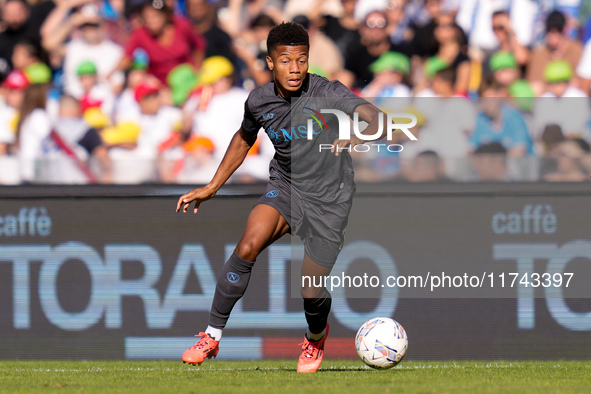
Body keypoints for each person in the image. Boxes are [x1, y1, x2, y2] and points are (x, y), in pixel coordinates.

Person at [176, 22, 385, 373]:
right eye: (286, 61)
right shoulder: (259, 100)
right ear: (270, 62)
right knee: (247, 246)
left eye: (301, 60)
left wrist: (356, 138)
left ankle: (315, 338)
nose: (295, 69)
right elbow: (244, 139)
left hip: (330, 198)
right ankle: (211, 336)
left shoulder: (327, 92)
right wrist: (213, 186)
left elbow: (377, 120)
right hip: (287, 185)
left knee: (309, 287)